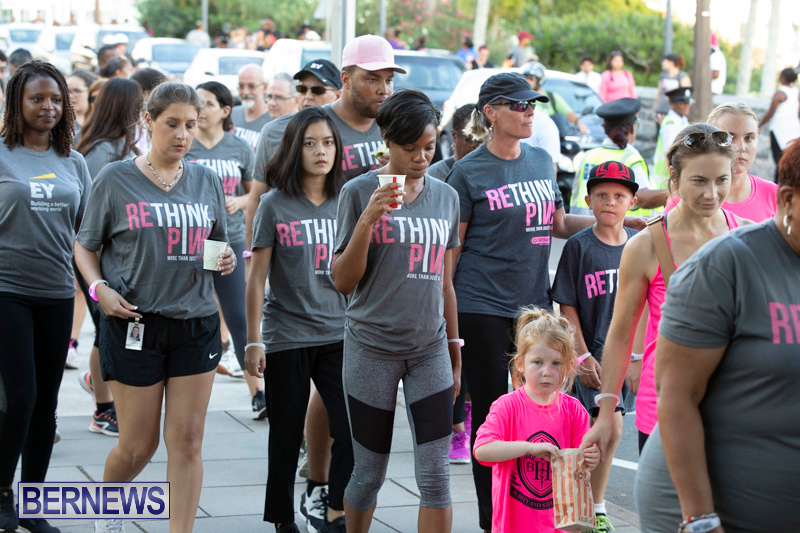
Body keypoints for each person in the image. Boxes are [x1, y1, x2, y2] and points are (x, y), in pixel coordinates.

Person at [445, 72, 636, 532]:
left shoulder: (542, 160)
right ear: (491, 113)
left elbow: (558, 224)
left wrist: (623, 222)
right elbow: (452, 254)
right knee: (494, 412)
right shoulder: (468, 172)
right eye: (519, 105)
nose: (530, 112)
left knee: (544, 405)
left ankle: (542, 512)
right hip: (481, 305)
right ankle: (493, 521)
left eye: (533, 104)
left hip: (531, 307)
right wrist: (444, 327)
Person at [74, 82, 236, 533]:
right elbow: (84, 246)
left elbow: (216, 244)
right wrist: (99, 290)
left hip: (196, 323)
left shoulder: (206, 180)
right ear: (148, 121)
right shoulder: (115, 179)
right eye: (172, 124)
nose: (182, 134)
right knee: (138, 447)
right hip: (135, 323)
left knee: (187, 441)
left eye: (191, 125)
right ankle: (108, 510)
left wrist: (222, 257)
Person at [634, 136, 800, 533]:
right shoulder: (726, 266)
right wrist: (701, 520)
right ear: (789, 200)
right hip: (701, 507)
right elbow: (676, 396)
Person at [580, 123, 750, 464]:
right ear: (674, 176)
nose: (711, 193)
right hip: (662, 409)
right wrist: (606, 410)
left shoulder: (747, 237)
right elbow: (620, 334)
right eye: (699, 180)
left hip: (733, 408)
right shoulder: (646, 245)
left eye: (721, 180)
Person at [332, 89, 461, 533]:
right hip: (371, 349)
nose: (422, 158)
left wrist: (454, 351)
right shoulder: (357, 192)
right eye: (410, 148)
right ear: (386, 139)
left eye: (430, 147)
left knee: (436, 476)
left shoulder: (446, 197)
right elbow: (342, 281)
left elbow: (445, 282)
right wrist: (368, 219)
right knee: (369, 474)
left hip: (429, 350)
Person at [245, 58, 344, 526]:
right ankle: (282, 519)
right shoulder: (274, 205)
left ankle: (334, 506)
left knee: (350, 430)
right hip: (287, 335)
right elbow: (256, 277)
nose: (321, 152)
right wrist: (253, 340)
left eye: (328, 143)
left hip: (339, 334)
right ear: (294, 149)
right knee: (284, 436)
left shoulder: (349, 200)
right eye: (310, 144)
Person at [0, 60, 92, 533]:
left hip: (56, 292)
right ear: (16, 102)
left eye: (56, 99)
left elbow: (88, 234)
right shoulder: (2, 155)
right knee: (21, 397)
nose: (48, 107)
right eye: (37, 98)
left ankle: (33, 505)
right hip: (7, 292)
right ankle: (2, 491)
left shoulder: (73, 162)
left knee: (46, 405)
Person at [246, 35, 404, 253]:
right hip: (316, 262)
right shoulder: (289, 129)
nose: (383, 90)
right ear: (346, 80)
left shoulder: (398, 130)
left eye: (389, 80)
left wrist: (395, 169)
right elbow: (259, 198)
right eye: (372, 79)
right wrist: (251, 257)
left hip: (378, 259)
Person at [552, 162, 639, 533]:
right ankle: (592, 507)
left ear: (632, 202)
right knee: (609, 428)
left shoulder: (639, 244)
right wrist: (582, 354)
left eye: (619, 195)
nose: (610, 202)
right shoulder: (579, 246)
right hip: (594, 358)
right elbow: (567, 305)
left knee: (601, 433)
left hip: (628, 357)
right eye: (601, 195)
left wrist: (639, 356)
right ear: (588, 200)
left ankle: (579, 504)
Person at [473, 308, 600, 533]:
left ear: (569, 365)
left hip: (559, 525)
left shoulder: (574, 411)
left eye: (556, 363)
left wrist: (592, 458)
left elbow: (581, 466)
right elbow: (482, 450)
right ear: (520, 364)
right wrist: (528, 448)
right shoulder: (507, 406)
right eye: (538, 362)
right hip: (513, 526)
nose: (547, 372)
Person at [185, 81, 264, 418]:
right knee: (193, 317)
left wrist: (240, 202)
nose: (200, 110)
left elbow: (255, 193)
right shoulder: (185, 144)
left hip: (224, 243)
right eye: (196, 103)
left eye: (207, 103)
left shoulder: (239, 147)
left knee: (238, 316)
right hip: (190, 245)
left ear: (225, 110)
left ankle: (259, 393)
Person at [74, 78, 144, 439]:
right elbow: (91, 215)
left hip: (114, 255)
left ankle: (100, 389)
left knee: (106, 332)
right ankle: (103, 409)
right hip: (96, 256)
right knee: (105, 332)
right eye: (139, 104)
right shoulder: (102, 151)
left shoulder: (123, 145)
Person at [667, 102, 778, 222]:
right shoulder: (687, 199)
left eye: (749, 138)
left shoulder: (774, 194)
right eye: (729, 138)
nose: (741, 147)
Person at [571, 98, 665, 217]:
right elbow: (643, 199)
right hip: (621, 227)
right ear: (632, 128)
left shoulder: (588, 156)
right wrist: (674, 192)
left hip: (582, 225)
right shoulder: (631, 160)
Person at [521, 61, 587, 134]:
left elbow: (570, 115)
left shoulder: (551, 97)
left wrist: (580, 124)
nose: (527, 81)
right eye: (525, 77)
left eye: (531, 78)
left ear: (539, 80)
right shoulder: (519, 98)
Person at [759, 68, 800, 181]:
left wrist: (759, 124)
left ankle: (777, 185)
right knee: (788, 160)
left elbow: (771, 113)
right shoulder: (796, 92)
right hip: (793, 130)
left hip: (779, 129)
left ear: (782, 77)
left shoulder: (780, 93)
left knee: (778, 161)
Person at [652, 87, 692, 189]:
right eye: (683, 103)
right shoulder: (670, 125)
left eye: (688, 103)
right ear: (672, 104)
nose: (687, 106)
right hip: (665, 182)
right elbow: (671, 153)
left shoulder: (684, 122)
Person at [429, 103, 480, 181]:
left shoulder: (493, 170)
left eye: (485, 139)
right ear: (454, 136)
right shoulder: (433, 175)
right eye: (472, 140)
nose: (479, 147)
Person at [231, 64, 271, 150]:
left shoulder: (273, 120)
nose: (245, 92)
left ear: (264, 87)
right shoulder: (232, 114)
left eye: (251, 86)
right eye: (241, 86)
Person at [653, 53, 691, 123]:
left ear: (671, 62)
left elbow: (685, 96)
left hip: (675, 113)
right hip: (661, 110)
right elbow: (659, 93)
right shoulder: (663, 75)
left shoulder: (682, 76)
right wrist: (655, 109)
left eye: (664, 61)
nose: (662, 63)